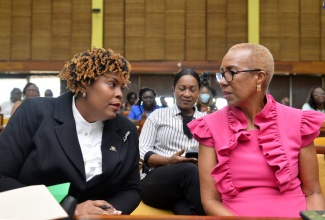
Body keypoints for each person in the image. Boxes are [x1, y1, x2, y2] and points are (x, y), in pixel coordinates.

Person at [188, 43, 325, 217]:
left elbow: (313, 192)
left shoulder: (298, 121)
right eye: (222, 73)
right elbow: (210, 200)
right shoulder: (209, 126)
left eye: (231, 72)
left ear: (259, 77)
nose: (222, 81)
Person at [0, 47, 141, 216]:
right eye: (112, 84)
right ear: (84, 84)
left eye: (121, 88)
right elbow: (2, 178)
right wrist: (69, 210)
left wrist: (106, 212)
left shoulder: (126, 130)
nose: (119, 94)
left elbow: (132, 189)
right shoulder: (35, 112)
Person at [139, 68, 206, 215]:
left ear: (199, 91)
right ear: (173, 89)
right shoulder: (158, 116)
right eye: (182, 89)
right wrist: (169, 161)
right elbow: (142, 150)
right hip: (155, 180)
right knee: (188, 170)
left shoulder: (206, 120)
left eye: (192, 89)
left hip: (189, 185)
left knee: (186, 210)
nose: (187, 94)